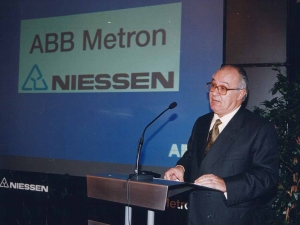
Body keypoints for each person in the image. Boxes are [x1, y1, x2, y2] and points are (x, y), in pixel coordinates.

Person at [164, 65, 278, 225]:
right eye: (213, 85)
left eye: (223, 87)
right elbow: (191, 157)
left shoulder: (258, 127)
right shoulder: (202, 122)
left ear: (241, 94)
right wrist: (180, 168)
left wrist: (227, 185)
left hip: (231, 217)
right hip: (195, 215)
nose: (214, 92)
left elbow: (267, 176)